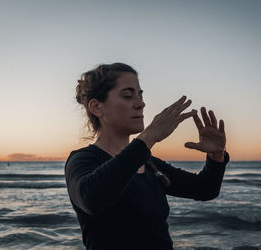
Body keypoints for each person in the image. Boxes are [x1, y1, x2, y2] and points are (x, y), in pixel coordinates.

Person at [65, 63, 229, 250]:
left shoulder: (149, 163)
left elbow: (205, 189)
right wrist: (149, 136)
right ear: (97, 107)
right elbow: (91, 198)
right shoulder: (82, 160)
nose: (141, 104)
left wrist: (216, 156)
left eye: (140, 95)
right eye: (127, 95)